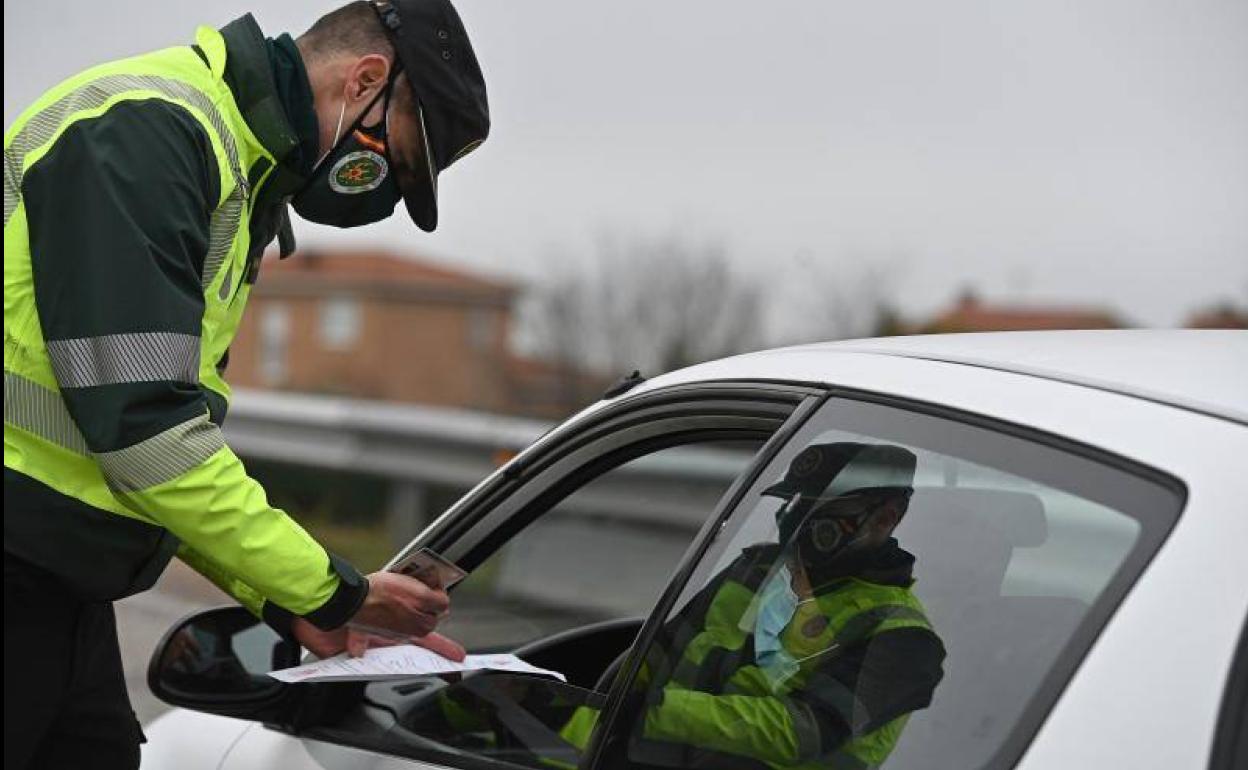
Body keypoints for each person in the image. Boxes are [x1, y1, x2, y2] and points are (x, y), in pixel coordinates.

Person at [3, 1, 489, 768]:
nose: (385, 193)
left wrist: (287, 600)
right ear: (365, 78)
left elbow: (157, 442)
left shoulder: (235, 169)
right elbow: (146, 433)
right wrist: (333, 592)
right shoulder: (146, 136)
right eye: (396, 160)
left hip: (57, 582)